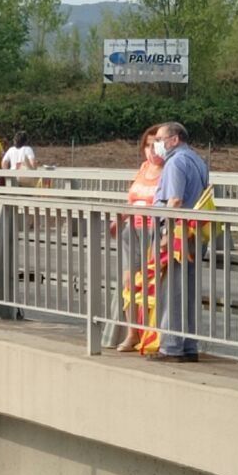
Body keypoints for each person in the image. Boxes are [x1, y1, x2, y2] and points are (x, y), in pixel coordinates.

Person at [150, 121, 210, 363]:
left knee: (172, 289)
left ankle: (171, 346)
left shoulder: (175, 162)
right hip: (194, 231)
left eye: (160, 139)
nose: (157, 145)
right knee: (188, 290)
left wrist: (166, 234)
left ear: (174, 139)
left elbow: (174, 201)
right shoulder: (197, 160)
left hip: (177, 234)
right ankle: (189, 345)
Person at [106, 124, 165, 352]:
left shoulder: (169, 171)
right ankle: (132, 333)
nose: (150, 150)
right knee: (129, 282)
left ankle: (152, 335)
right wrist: (118, 221)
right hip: (133, 230)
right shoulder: (143, 168)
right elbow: (133, 200)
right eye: (147, 145)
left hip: (154, 231)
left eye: (155, 145)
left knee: (151, 284)